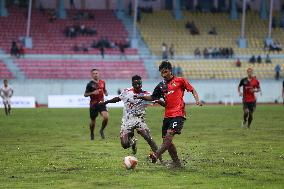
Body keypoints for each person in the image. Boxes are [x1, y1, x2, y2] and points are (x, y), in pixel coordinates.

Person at [135, 60, 202, 168]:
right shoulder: (161, 85)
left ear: (170, 70)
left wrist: (197, 100)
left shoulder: (180, 81)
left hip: (178, 113)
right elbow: (153, 97)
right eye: (162, 72)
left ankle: (156, 155)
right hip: (167, 116)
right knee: (167, 141)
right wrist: (140, 96)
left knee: (169, 136)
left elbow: (192, 90)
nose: (163, 75)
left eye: (165, 72)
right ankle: (176, 163)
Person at [100, 75, 162, 157]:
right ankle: (133, 143)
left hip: (139, 120)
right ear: (132, 84)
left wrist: (167, 103)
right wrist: (105, 102)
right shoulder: (127, 92)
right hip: (127, 121)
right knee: (125, 144)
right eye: (135, 84)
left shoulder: (147, 94)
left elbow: (157, 101)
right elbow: (118, 98)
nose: (137, 86)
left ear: (141, 84)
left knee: (148, 138)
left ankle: (160, 158)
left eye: (139, 84)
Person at [84, 69, 109, 140]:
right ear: (91, 75)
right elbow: (85, 94)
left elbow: (104, 89)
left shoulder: (102, 82)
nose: (96, 74)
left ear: (99, 74)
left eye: (97, 73)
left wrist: (106, 92)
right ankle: (92, 133)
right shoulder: (89, 84)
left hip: (101, 103)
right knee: (93, 120)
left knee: (106, 117)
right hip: (93, 104)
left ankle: (101, 130)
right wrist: (92, 93)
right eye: (94, 73)